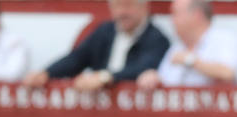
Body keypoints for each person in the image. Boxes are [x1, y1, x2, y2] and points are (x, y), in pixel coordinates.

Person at [21, 0, 168, 92]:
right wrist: (46, 73)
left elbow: (142, 67)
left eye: (128, 5)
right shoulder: (105, 31)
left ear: (144, 6)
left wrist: (105, 77)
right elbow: (77, 58)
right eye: (117, 5)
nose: (122, 12)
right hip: (97, 111)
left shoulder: (157, 39)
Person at [154, 0, 237, 87]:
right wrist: (154, 78)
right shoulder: (177, 47)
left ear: (197, 15)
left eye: (176, 13)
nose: (172, 20)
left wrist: (189, 60)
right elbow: (164, 80)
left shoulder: (222, 38)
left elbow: (228, 73)